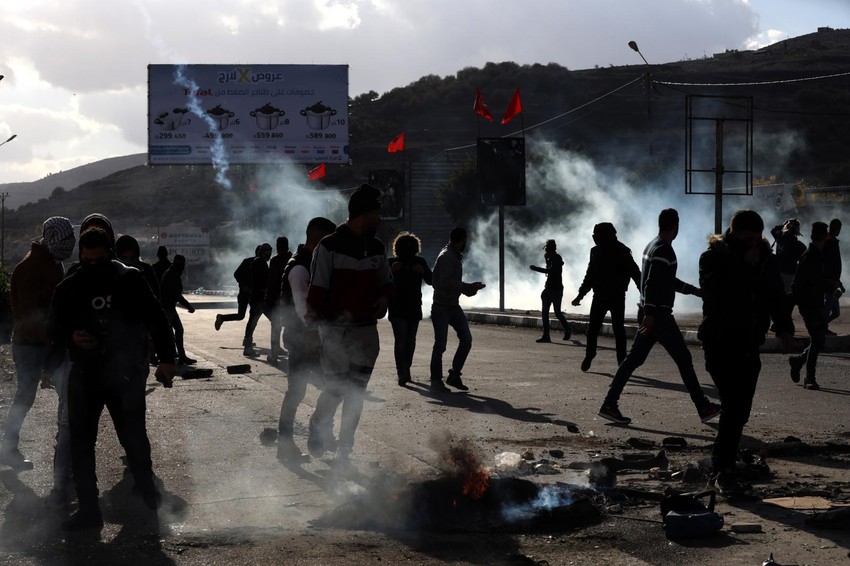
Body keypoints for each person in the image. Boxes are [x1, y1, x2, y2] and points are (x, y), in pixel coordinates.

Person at [46, 227, 177, 531]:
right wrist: (72, 337)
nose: (93, 266)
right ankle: (90, 511)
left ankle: (148, 496)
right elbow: (53, 328)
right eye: (87, 260)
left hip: (125, 372)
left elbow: (157, 318)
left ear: (109, 254)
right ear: (80, 256)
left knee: (134, 438)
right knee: (80, 445)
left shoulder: (129, 279)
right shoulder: (69, 286)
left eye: (99, 260)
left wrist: (168, 361)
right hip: (86, 374)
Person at [698, 210, 794, 496]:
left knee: (740, 412)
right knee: (733, 406)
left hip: (749, 343)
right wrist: (745, 266)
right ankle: (723, 471)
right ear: (733, 234)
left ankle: (721, 466)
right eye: (747, 239)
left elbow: (776, 295)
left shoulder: (764, 258)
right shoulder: (713, 257)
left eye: (757, 239)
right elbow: (717, 295)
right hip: (720, 341)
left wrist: (784, 328)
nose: (753, 245)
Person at [598, 209, 720, 425]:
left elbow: (666, 280)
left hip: (650, 313)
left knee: (633, 360)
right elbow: (652, 283)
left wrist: (692, 291)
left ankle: (609, 404)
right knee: (683, 359)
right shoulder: (664, 250)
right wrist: (651, 314)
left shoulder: (653, 245)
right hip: (658, 316)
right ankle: (703, 407)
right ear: (676, 226)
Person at [306, 184, 394, 465]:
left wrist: (383, 298)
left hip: (366, 332)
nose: (380, 218)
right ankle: (319, 424)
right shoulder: (329, 246)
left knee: (356, 392)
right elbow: (316, 291)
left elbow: (386, 283)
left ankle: (345, 448)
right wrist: (313, 331)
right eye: (377, 212)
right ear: (365, 213)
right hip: (334, 332)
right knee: (336, 389)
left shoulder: (377, 247)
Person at [0, 217, 75, 471]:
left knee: (62, 392)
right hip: (33, 344)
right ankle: (8, 448)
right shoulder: (33, 266)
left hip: (43, 343)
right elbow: (30, 313)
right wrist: (49, 343)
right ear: (53, 238)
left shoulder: (50, 262)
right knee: (25, 396)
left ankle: (64, 449)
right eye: (66, 240)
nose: (70, 244)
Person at [276, 217, 336, 462]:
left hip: (312, 339)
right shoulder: (300, 267)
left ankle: (321, 434)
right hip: (303, 340)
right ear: (318, 240)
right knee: (297, 393)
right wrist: (313, 337)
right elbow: (302, 308)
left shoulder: (311, 263)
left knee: (333, 388)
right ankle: (286, 446)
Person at [571, 223, 641, 371]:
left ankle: (621, 363)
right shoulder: (595, 251)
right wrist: (580, 295)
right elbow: (590, 275)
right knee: (592, 329)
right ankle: (590, 354)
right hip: (599, 296)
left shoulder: (622, 251)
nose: (595, 239)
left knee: (618, 331)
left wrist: (645, 293)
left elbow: (635, 273)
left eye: (597, 237)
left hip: (617, 296)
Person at [429, 227, 486, 393]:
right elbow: (442, 282)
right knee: (440, 345)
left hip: (452, 305)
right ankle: (435, 381)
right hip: (442, 307)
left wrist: (468, 288)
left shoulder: (452, 255)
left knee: (466, 339)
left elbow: (451, 283)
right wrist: (466, 287)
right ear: (462, 240)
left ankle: (454, 375)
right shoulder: (447, 256)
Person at [789, 222, 839, 390]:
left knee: (819, 340)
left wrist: (831, 287)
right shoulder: (809, 256)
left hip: (816, 302)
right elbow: (798, 285)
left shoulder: (818, 255)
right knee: (817, 339)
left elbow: (818, 281)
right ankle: (809, 377)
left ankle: (798, 361)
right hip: (809, 304)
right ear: (823, 236)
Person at [388, 232, 433, 386]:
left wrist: (423, 271)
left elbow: (431, 280)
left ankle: (406, 368)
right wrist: (391, 272)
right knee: (401, 340)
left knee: (410, 341)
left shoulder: (419, 261)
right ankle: (402, 372)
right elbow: (378, 281)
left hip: (413, 307)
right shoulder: (391, 263)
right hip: (396, 308)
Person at [530, 239, 572, 343]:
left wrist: (537, 269)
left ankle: (567, 329)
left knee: (557, 312)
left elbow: (552, 271)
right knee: (545, 312)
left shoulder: (556, 258)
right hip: (549, 288)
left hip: (556, 288)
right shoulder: (551, 258)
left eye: (548, 248)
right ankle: (546, 335)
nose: (546, 251)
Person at [159, 254, 196, 365]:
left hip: (169, 307)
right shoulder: (172, 275)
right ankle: (168, 357)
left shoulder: (172, 272)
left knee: (177, 330)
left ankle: (181, 356)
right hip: (167, 308)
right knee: (168, 333)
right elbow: (177, 296)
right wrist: (189, 307)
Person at [214, 245, 260, 331]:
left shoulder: (263, 264)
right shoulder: (247, 262)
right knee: (241, 316)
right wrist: (244, 286)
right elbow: (236, 274)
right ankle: (222, 318)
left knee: (254, 316)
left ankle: (248, 338)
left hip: (255, 294)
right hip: (245, 293)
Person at [242, 242, 273, 357]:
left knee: (252, 322)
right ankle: (248, 347)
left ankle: (247, 346)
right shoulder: (260, 263)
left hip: (256, 298)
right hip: (259, 299)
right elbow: (262, 282)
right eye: (267, 252)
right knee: (273, 320)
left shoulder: (257, 262)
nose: (269, 255)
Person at [266, 236, 292, 364]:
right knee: (291, 326)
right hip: (290, 299)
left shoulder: (275, 260)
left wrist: (268, 300)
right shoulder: (292, 258)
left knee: (275, 326)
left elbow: (271, 282)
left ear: (277, 246)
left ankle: (274, 354)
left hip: (277, 300)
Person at [770, 218, 806, 293]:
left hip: (777, 271)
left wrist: (783, 225)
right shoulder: (797, 244)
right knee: (785, 294)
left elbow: (773, 230)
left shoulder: (780, 236)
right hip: (788, 273)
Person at [823, 218, 844, 334]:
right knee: (828, 307)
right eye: (839, 229)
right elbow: (830, 264)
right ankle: (823, 328)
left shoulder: (830, 241)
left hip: (833, 281)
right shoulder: (830, 242)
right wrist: (833, 280)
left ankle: (823, 325)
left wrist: (838, 281)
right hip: (830, 282)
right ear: (836, 229)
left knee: (835, 312)